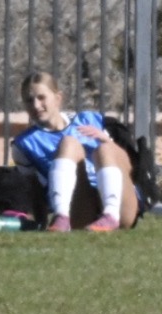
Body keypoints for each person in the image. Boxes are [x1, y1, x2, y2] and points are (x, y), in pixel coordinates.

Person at [11, 70, 142, 232]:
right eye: (29, 100)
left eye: (41, 97)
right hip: (80, 207)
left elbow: (130, 167)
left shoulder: (91, 120)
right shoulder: (24, 144)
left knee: (105, 149)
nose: (36, 105)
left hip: (121, 207)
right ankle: (61, 216)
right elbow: (34, 189)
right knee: (68, 143)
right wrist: (39, 221)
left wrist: (107, 141)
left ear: (58, 98)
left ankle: (110, 215)